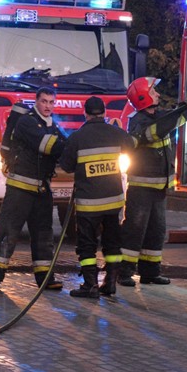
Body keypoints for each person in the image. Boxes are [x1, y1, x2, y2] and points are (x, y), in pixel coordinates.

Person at [0, 87, 67, 292]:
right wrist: (71, 143)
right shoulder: (27, 122)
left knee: (43, 235)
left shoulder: (52, 125)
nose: (48, 106)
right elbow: (47, 146)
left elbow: (61, 148)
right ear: (36, 102)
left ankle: (45, 279)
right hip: (20, 189)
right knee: (8, 232)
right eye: (44, 101)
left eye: (51, 102)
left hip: (41, 189)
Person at [117, 77, 187, 287]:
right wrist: (179, 112)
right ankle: (124, 271)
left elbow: (174, 120)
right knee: (135, 229)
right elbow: (158, 129)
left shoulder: (159, 116)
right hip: (142, 187)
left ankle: (150, 272)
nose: (158, 95)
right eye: (154, 92)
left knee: (156, 230)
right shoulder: (138, 121)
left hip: (159, 186)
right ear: (143, 96)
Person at [57, 96, 136, 298]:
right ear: (104, 113)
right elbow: (132, 144)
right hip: (113, 202)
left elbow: (65, 167)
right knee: (112, 244)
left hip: (88, 204)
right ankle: (110, 284)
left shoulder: (77, 137)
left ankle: (90, 285)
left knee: (87, 246)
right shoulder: (116, 133)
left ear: (85, 113)